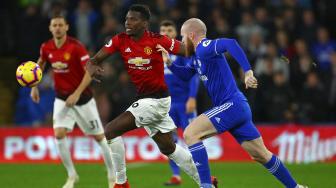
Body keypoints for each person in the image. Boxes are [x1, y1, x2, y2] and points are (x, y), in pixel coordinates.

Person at [158, 18, 308, 188]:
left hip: (231, 105)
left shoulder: (205, 47)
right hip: (237, 108)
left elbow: (231, 43)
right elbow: (185, 76)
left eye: (183, 37)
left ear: (191, 35)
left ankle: (206, 185)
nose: (182, 42)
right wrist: (169, 62)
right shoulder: (196, 57)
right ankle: (296, 187)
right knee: (261, 155)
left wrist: (248, 72)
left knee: (190, 134)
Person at [86, 5, 216, 188]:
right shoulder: (120, 40)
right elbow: (94, 60)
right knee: (168, 147)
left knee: (110, 130)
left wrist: (210, 48)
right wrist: (91, 68)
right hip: (147, 100)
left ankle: (121, 183)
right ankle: (206, 180)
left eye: (133, 19)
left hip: (156, 101)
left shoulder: (157, 40)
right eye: (127, 19)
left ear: (145, 23)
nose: (128, 22)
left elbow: (187, 50)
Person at [30, 15, 115, 188]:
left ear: (67, 27)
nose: (58, 28)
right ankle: (72, 175)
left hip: (83, 99)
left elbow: (89, 71)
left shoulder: (76, 47)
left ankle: (113, 176)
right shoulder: (46, 47)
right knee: (59, 134)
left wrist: (76, 94)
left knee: (99, 137)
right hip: (61, 98)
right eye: (55, 25)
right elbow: (41, 63)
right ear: (50, 28)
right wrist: (34, 86)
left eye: (61, 25)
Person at [160, 20, 200, 186]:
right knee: (170, 141)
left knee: (193, 139)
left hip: (184, 103)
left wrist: (192, 97)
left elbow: (194, 75)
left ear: (175, 33)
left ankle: (202, 173)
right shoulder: (156, 54)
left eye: (169, 30)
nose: (166, 33)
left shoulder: (183, 51)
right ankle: (176, 175)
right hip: (166, 104)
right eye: (163, 30)